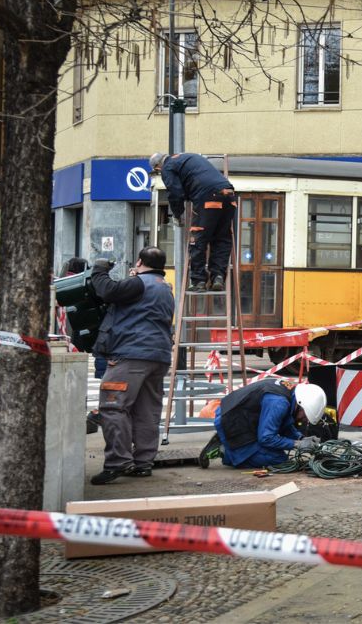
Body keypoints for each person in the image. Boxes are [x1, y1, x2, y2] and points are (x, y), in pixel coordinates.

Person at [89, 246, 175, 484]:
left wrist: (100, 269)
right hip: (158, 356)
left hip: (131, 354)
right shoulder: (164, 287)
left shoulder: (138, 283)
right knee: (147, 411)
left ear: (138, 262)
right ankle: (143, 463)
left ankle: (117, 461)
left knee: (113, 407)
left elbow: (106, 290)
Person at [150, 152, 236, 292]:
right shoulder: (189, 157)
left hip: (208, 197)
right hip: (229, 194)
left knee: (197, 239)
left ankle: (198, 281)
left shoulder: (167, 167)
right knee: (222, 239)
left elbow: (175, 192)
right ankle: (218, 277)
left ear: (158, 168)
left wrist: (177, 215)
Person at [211, 379, 326, 468]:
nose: (303, 420)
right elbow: (266, 438)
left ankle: (229, 444)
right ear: (301, 406)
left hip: (237, 414)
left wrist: (301, 438)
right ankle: (225, 450)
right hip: (231, 422)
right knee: (278, 459)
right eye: (305, 416)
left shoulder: (290, 393)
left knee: (277, 451)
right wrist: (297, 444)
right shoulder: (278, 403)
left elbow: (283, 423)